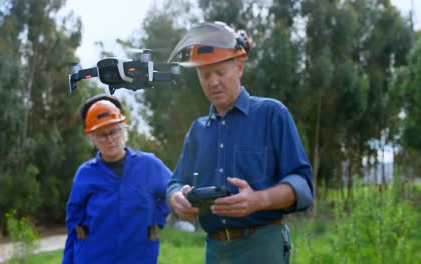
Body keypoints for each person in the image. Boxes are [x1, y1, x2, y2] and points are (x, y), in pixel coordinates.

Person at [167, 22, 313, 264]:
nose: (213, 82)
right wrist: (176, 199)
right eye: (205, 75)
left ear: (240, 67)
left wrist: (259, 200)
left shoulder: (272, 114)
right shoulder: (197, 131)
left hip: (263, 246)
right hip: (214, 251)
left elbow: (303, 186)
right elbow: (176, 182)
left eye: (220, 73)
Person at [62, 94, 171, 264]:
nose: (110, 139)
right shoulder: (85, 175)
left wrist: (156, 217)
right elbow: (73, 225)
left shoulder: (149, 165)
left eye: (114, 131)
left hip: (139, 256)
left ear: (123, 129)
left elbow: (174, 191)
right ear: (92, 139)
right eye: (102, 135)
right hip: (94, 257)